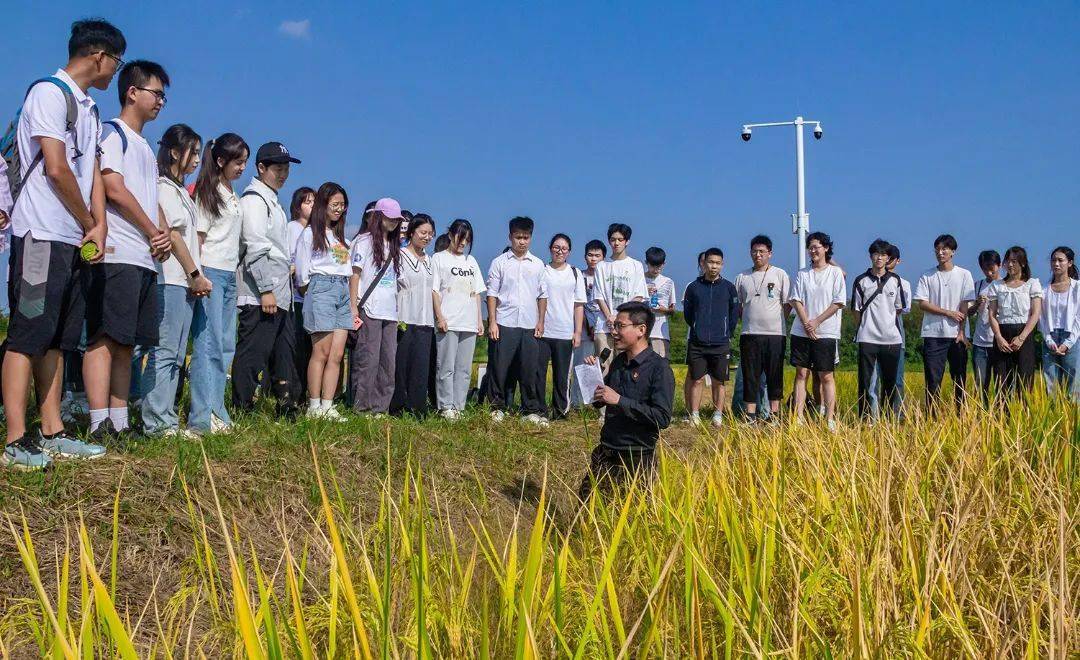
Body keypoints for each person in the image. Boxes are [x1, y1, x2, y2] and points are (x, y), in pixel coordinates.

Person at [2, 19, 126, 469]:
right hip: (40, 232)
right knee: (27, 333)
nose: (116, 71)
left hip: (74, 238)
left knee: (57, 338)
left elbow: (89, 169)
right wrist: (87, 218)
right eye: (117, 61)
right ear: (99, 56)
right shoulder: (48, 94)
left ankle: (52, 430)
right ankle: (16, 440)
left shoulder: (89, 108)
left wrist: (98, 226)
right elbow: (55, 167)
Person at [82, 60, 174, 440]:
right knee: (104, 338)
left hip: (143, 257)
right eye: (156, 94)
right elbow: (113, 187)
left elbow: (150, 199)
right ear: (132, 92)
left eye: (164, 97)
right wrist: (153, 229)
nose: (160, 102)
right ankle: (97, 420)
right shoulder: (112, 133)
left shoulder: (145, 148)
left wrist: (162, 234)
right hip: (118, 251)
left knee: (126, 342)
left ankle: (119, 423)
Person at [139, 124, 212, 437]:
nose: (196, 159)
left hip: (183, 282)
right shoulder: (163, 188)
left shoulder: (181, 191)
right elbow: (170, 234)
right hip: (170, 278)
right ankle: (155, 420)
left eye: (198, 153)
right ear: (173, 152)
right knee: (165, 351)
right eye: (192, 152)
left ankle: (166, 417)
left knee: (177, 353)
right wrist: (195, 274)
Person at [577, 302, 674, 503]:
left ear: (641, 330)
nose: (614, 331)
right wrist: (593, 377)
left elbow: (662, 418)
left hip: (637, 458)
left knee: (631, 520)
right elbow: (599, 401)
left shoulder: (659, 369)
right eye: (614, 326)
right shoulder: (619, 361)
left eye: (620, 326)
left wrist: (619, 400)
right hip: (606, 450)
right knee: (585, 510)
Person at [231, 142, 302, 417]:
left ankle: (286, 407)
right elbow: (255, 247)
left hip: (280, 294)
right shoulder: (254, 200)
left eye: (286, 169)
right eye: (277, 168)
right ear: (261, 168)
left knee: (283, 352)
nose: (283, 174)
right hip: (261, 293)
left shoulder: (273, 200)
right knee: (254, 352)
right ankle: (242, 407)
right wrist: (266, 290)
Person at [188, 133, 248, 433]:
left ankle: (217, 409)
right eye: (238, 161)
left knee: (226, 346)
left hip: (229, 273)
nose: (242, 167)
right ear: (221, 160)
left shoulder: (232, 193)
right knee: (208, 346)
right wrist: (197, 276)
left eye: (245, 162)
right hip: (210, 271)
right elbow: (197, 239)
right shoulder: (207, 192)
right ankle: (201, 415)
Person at [295, 182, 355, 419]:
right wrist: (313, 291)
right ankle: (314, 405)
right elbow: (301, 272)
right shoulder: (310, 233)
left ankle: (328, 405)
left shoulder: (342, 238)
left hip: (342, 288)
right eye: (335, 204)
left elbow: (347, 268)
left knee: (337, 354)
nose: (339, 209)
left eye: (342, 205)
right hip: (321, 287)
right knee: (321, 350)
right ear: (323, 205)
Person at [485, 216, 546, 424]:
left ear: (531, 238)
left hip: (529, 324)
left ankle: (530, 409)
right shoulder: (499, 262)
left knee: (529, 369)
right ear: (510, 236)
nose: (522, 241)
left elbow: (542, 295)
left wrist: (541, 321)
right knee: (499, 368)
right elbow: (491, 294)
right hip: (504, 322)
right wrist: (492, 322)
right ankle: (496, 407)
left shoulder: (538, 265)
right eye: (518, 237)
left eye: (526, 237)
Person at [349, 197, 403, 415]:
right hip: (368, 308)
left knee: (388, 363)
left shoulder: (395, 245)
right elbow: (355, 275)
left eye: (397, 219)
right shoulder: (364, 241)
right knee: (367, 361)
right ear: (379, 216)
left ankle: (380, 409)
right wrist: (353, 307)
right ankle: (362, 408)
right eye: (390, 218)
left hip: (390, 311)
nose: (394, 223)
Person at [789, 232, 846, 429]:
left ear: (826, 248)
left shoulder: (835, 272)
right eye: (810, 247)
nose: (813, 250)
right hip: (801, 331)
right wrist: (807, 323)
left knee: (826, 376)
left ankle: (830, 418)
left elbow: (838, 302)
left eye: (817, 247)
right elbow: (795, 299)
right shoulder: (803, 273)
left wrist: (816, 321)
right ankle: (798, 417)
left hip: (826, 331)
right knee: (801, 374)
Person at [914, 234, 976, 413]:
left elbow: (965, 304)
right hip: (933, 334)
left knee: (960, 379)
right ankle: (932, 417)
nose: (940, 253)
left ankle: (961, 415)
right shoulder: (927, 275)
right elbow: (922, 303)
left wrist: (962, 331)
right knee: (933, 380)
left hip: (958, 335)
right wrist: (947, 312)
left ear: (953, 252)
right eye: (938, 249)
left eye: (944, 249)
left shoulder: (964, 274)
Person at [431, 219, 485, 418]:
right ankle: (445, 406)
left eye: (467, 240)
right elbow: (434, 291)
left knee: (463, 368)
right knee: (446, 366)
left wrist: (479, 321)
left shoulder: (471, 261)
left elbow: (477, 292)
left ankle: (459, 406)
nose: (463, 243)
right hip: (448, 321)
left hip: (469, 322)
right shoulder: (438, 258)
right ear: (450, 234)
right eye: (460, 238)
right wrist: (440, 316)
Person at [733, 234, 790, 421]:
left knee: (775, 375)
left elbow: (787, 304)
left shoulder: (780, 274)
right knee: (750, 375)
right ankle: (750, 415)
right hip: (750, 333)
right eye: (754, 251)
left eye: (762, 251)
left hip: (775, 334)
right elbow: (738, 306)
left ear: (770, 253)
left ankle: (774, 415)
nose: (758, 255)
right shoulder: (742, 276)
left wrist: (777, 319)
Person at [682, 247, 739, 427]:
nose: (713, 266)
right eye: (710, 262)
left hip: (720, 342)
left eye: (717, 263)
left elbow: (734, 314)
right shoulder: (693, 287)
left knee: (719, 380)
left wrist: (726, 333)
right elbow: (688, 315)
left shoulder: (729, 288)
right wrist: (698, 327)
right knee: (696, 379)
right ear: (704, 263)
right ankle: (695, 414)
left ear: (722, 265)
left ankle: (718, 414)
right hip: (698, 342)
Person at [851, 239, 906, 419]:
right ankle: (867, 420)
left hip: (891, 339)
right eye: (876, 254)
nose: (879, 258)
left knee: (890, 383)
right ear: (870, 256)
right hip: (867, 337)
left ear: (888, 257)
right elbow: (856, 310)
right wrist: (864, 326)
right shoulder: (861, 281)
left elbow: (898, 308)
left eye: (883, 254)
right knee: (866, 382)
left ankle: (889, 420)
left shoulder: (895, 280)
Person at [390, 213, 435, 416]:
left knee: (420, 366)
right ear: (412, 232)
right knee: (401, 364)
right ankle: (397, 405)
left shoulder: (430, 260)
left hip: (425, 319)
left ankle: (417, 407)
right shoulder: (399, 255)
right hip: (405, 317)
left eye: (430, 234)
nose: (426, 237)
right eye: (422, 232)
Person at [537, 233, 586, 420]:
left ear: (569, 252)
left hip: (565, 331)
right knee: (538, 372)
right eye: (556, 247)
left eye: (564, 248)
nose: (560, 251)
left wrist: (578, 331)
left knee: (562, 375)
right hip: (542, 330)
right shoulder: (542, 269)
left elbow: (579, 304)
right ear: (550, 248)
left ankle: (560, 410)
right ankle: (539, 409)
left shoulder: (575, 273)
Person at [987, 246, 1043, 396]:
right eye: (1007, 261)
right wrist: (998, 337)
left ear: (1023, 263)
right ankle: (1001, 418)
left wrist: (1021, 337)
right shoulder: (996, 285)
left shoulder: (1032, 283)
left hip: (1024, 333)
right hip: (1002, 334)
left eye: (1014, 261)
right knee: (1001, 381)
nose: (1010, 265)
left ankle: (1023, 418)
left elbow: (1036, 313)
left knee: (1024, 382)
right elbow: (992, 314)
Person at [593, 222, 647, 372]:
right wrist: (610, 317)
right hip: (604, 325)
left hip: (627, 325)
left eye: (620, 239)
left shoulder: (636, 266)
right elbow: (598, 295)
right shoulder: (602, 266)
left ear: (627, 241)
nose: (616, 243)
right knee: (603, 367)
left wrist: (621, 319)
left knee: (624, 368)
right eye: (612, 239)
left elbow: (639, 296)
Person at [867, 243, 912, 416]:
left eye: (890, 258)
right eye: (881, 256)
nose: (886, 261)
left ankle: (896, 415)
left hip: (894, 332)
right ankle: (873, 414)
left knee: (896, 378)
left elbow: (902, 309)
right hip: (872, 333)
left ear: (896, 261)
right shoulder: (868, 279)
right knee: (873, 378)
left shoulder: (902, 283)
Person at [1040, 246, 1080, 398]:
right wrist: (1048, 339)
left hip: (1072, 338)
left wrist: (1068, 343)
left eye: (1060, 260)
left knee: (1074, 385)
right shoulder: (1043, 289)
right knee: (1051, 385)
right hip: (1049, 338)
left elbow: (1078, 318)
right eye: (1053, 260)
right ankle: (1053, 419)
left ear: (1070, 263)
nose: (1056, 264)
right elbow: (1040, 317)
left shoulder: (1077, 288)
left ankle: (1072, 420)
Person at [570, 239, 605, 407]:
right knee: (580, 365)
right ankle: (577, 403)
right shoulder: (579, 276)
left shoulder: (606, 278)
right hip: (583, 329)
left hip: (602, 327)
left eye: (597, 255)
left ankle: (596, 402)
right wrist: (585, 326)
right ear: (585, 257)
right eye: (590, 255)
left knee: (600, 366)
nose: (593, 259)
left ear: (603, 257)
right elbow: (578, 304)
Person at [287, 186, 315, 395]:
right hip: (294, 297)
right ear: (297, 206)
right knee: (294, 346)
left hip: (312, 299)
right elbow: (288, 259)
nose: (312, 206)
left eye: (315, 202)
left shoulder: (317, 231)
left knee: (309, 348)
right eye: (307, 202)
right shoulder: (292, 228)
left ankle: (305, 392)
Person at [969, 250, 1002, 398]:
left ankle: (1001, 417)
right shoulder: (977, 286)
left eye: (991, 267)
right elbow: (968, 313)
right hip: (980, 343)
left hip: (1000, 342)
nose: (988, 272)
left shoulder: (1005, 286)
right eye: (984, 268)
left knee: (1001, 385)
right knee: (980, 384)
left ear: (999, 265)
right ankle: (981, 417)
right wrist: (977, 304)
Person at [644, 247, 676, 359]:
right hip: (641, 331)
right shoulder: (639, 280)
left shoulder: (668, 282)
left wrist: (664, 310)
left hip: (660, 333)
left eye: (659, 266)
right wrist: (644, 291)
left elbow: (672, 309)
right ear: (646, 263)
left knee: (660, 365)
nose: (655, 269)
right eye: (652, 265)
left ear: (664, 264)